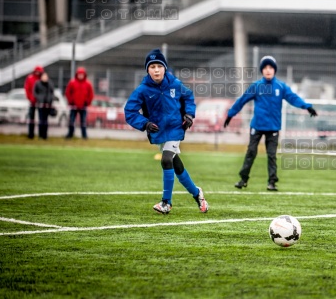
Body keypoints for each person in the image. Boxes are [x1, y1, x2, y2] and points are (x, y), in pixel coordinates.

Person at [124, 48, 208, 215]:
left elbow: (189, 98)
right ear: (147, 70)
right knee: (177, 167)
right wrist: (145, 123)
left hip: (176, 129)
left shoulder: (175, 84)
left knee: (166, 159)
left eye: (159, 66)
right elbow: (129, 111)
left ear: (165, 68)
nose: (156, 70)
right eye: (152, 66)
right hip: (159, 133)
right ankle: (197, 194)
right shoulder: (142, 90)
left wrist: (189, 115)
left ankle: (166, 203)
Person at [223, 56, 318, 191]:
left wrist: (307, 106)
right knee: (251, 152)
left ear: (274, 70)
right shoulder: (256, 86)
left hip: (273, 127)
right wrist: (230, 114)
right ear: (262, 70)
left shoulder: (281, 86)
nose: (268, 70)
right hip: (257, 126)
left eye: (271, 68)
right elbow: (242, 100)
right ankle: (243, 179)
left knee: (272, 155)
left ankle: (272, 182)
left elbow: (293, 98)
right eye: (265, 68)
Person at [65, 67, 94, 139]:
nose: (80, 76)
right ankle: (70, 134)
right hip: (74, 106)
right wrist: (71, 101)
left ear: (84, 75)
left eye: (82, 74)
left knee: (83, 121)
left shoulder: (88, 84)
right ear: (77, 74)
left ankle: (84, 136)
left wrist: (87, 102)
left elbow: (91, 94)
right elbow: (68, 93)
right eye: (79, 74)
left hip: (83, 106)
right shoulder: (72, 82)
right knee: (71, 120)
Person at [33, 72, 55, 140]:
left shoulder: (50, 84)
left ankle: (45, 136)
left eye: (46, 76)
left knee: (46, 121)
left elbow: (52, 93)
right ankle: (40, 135)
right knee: (41, 121)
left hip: (48, 105)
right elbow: (34, 92)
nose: (45, 78)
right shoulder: (38, 83)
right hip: (41, 105)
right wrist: (39, 98)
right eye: (43, 76)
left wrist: (50, 100)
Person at [24, 65, 44, 139]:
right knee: (31, 119)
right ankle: (30, 134)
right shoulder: (30, 78)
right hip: (32, 102)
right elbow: (27, 89)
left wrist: (42, 99)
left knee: (41, 119)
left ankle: (41, 135)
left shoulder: (42, 79)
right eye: (37, 71)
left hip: (40, 102)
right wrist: (30, 98)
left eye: (39, 71)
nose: (38, 73)